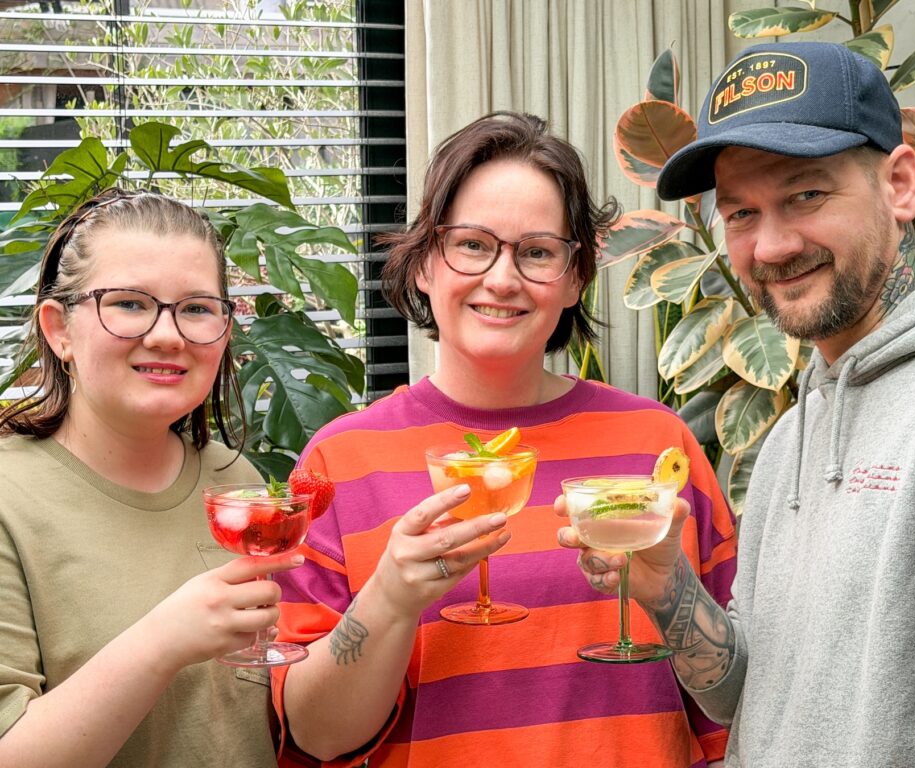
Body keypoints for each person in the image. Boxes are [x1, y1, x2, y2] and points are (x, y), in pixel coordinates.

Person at [560, 40, 915, 766]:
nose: (770, 246)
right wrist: (665, 585)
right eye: (741, 212)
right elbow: (747, 693)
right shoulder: (789, 438)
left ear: (901, 185)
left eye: (806, 195)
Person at [269, 112, 737, 767]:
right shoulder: (339, 464)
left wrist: (669, 590)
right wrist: (391, 598)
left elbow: (733, 696)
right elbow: (317, 736)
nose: (502, 278)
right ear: (426, 262)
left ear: (575, 279)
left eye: (537, 251)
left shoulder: (658, 448)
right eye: (472, 244)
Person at [0, 188, 302, 768]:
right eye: (131, 304)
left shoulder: (233, 480)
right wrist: (164, 641)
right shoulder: (9, 500)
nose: (168, 335)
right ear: (59, 329)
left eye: (196, 308)